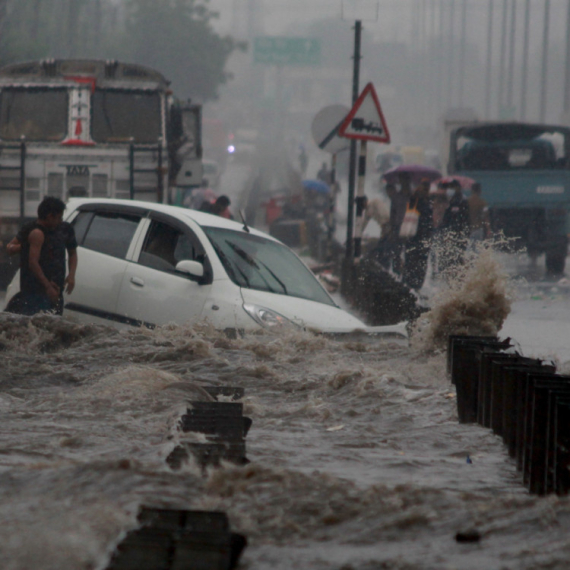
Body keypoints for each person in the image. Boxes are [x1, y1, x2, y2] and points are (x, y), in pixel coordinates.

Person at [5, 196, 77, 316]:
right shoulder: (31, 230)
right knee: (34, 324)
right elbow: (10, 248)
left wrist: (72, 275)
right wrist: (26, 246)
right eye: (59, 218)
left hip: (55, 289)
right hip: (34, 289)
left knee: (53, 327)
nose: (60, 221)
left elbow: (73, 253)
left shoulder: (65, 229)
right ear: (50, 216)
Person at [403, 178, 433, 291]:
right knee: (411, 261)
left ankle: (417, 287)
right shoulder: (415, 198)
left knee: (422, 263)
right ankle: (408, 285)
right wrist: (416, 194)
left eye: (427, 187)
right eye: (424, 186)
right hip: (414, 236)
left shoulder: (428, 201)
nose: (426, 189)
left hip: (425, 238)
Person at [439, 179, 470, 272]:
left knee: (459, 256)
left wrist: (466, 234)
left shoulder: (462, 200)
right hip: (451, 233)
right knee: (450, 256)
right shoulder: (451, 200)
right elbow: (446, 218)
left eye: (452, 187)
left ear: (458, 188)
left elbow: (466, 219)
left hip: (460, 233)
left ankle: (459, 274)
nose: (450, 189)